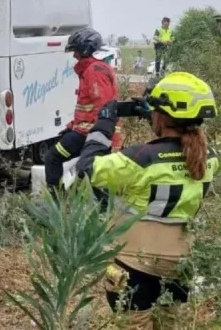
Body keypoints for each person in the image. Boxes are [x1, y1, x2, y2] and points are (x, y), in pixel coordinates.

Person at [75, 72, 218, 328]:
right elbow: (180, 144)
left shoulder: (140, 158)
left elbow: (86, 168)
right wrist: (155, 118)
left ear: (162, 115)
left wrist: (103, 126)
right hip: (180, 266)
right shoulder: (210, 158)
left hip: (134, 264)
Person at [43, 28, 119, 193]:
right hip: (89, 131)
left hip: (92, 133)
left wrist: (82, 130)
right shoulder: (93, 69)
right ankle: (69, 198)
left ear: (85, 49)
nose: (74, 55)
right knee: (88, 170)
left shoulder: (94, 72)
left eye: (75, 51)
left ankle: (54, 203)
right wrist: (71, 126)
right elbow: (87, 108)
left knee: (52, 158)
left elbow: (103, 108)